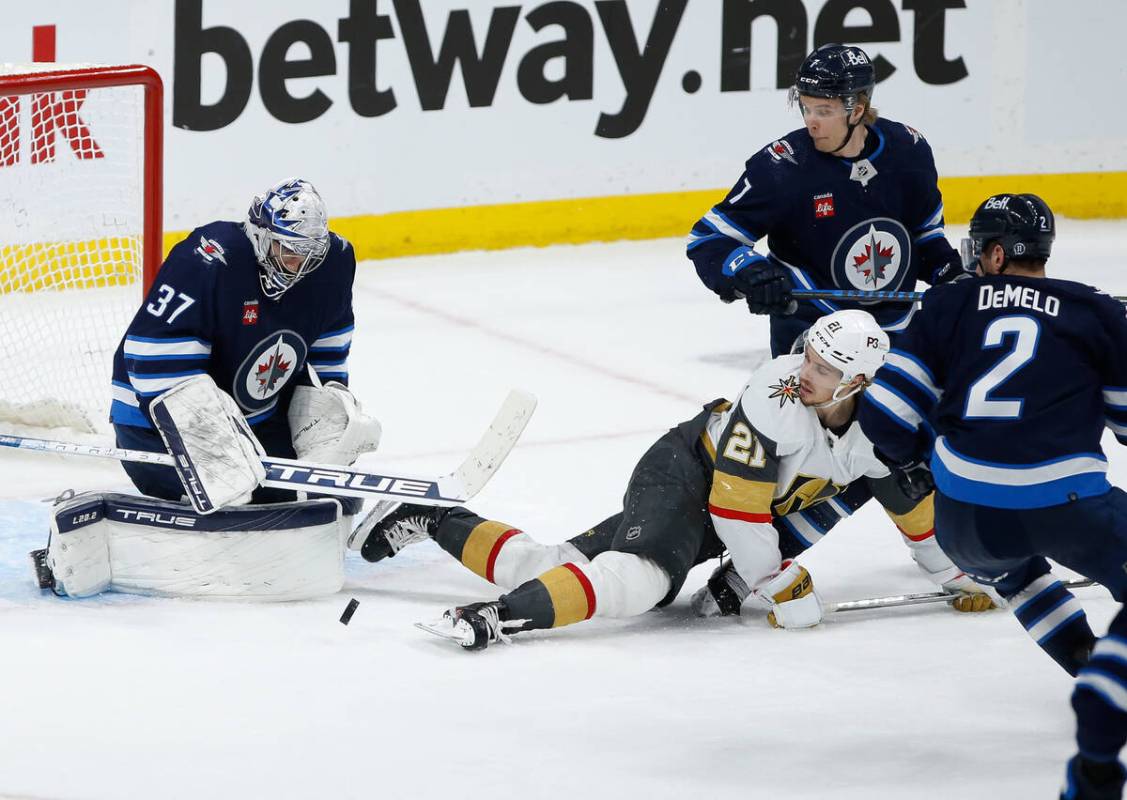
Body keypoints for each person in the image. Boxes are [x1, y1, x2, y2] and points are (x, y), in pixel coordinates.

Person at [357, 309, 991, 651]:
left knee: (549, 565)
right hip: (687, 474)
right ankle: (490, 619)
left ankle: (435, 522)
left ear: (857, 385)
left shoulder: (881, 430)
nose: (805, 371)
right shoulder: (773, 393)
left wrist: (957, 575)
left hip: (736, 512)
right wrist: (771, 581)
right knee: (639, 582)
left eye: (825, 370)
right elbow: (737, 510)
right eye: (808, 355)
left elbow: (908, 505)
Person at [855, 194, 1127, 800]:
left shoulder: (947, 303)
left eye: (979, 249)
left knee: (1014, 572)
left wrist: (923, 465)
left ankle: (1082, 659)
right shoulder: (1093, 311)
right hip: (1071, 508)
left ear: (997, 254)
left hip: (966, 522)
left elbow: (886, 417)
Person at [109, 177, 380, 511]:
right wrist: (217, 450)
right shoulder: (210, 258)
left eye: (309, 253)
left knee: (335, 499)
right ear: (260, 235)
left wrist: (328, 421)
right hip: (151, 429)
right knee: (235, 495)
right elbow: (151, 362)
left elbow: (329, 356)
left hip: (258, 424)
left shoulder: (333, 263)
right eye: (288, 250)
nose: (299, 265)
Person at [685, 43, 967, 359]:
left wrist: (949, 272)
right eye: (806, 108)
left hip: (895, 342)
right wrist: (749, 271)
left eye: (824, 111)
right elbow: (708, 239)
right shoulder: (783, 167)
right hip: (811, 348)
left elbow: (924, 236)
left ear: (857, 110)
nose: (811, 122)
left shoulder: (908, 151)